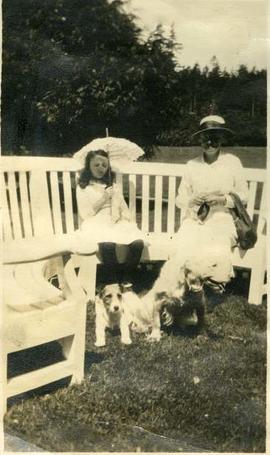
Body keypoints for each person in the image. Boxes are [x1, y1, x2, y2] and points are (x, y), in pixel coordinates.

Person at [149, 115, 248, 298]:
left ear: (222, 139)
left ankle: (214, 284)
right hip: (196, 218)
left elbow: (244, 196)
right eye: (205, 138)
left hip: (222, 217)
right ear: (200, 140)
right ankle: (183, 286)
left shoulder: (232, 163)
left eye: (215, 138)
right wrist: (192, 200)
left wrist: (222, 200)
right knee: (186, 240)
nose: (210, 142)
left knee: (218, 242)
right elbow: (180, 198)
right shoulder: (192, 165)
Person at [76, 149, 145, 284]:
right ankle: (112, 281)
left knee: (138, 242)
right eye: (96, 165)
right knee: (107, 244)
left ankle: (126, 279)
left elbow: (123, 208)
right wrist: (104, 197)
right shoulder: (84, 187)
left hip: (115, 221)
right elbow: (85, 214)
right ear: (88, 166)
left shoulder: (112, 186)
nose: (100, 168)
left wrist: (127, 222)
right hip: (95, 222)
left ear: (108, 168)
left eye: (104, 165)